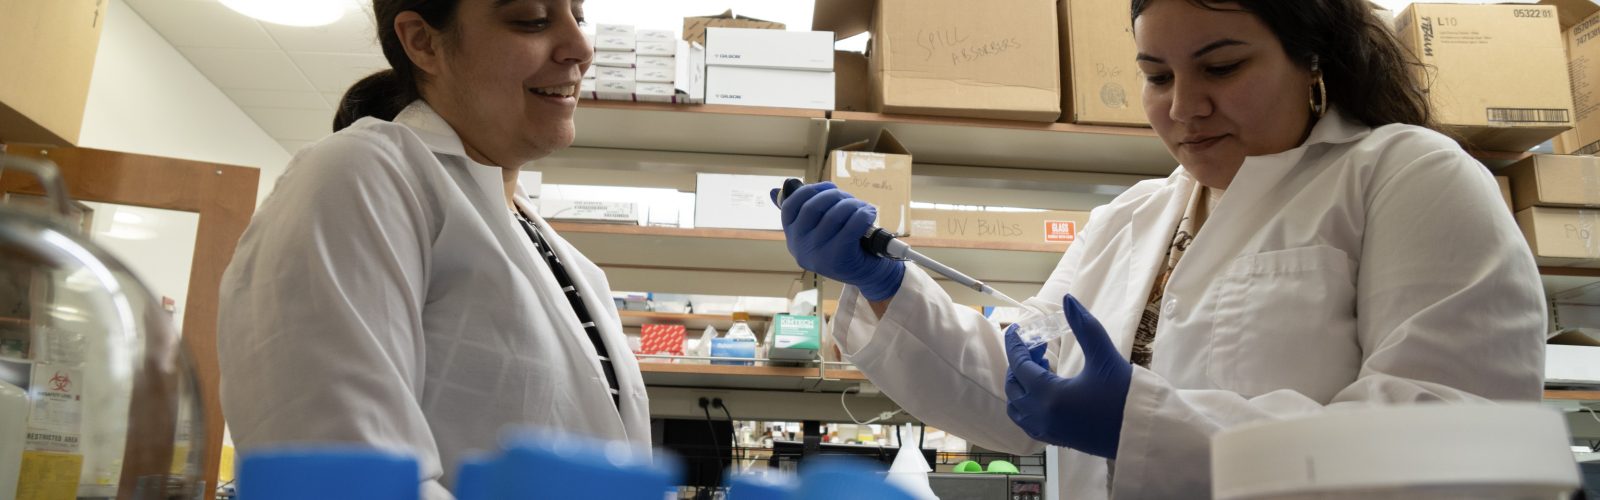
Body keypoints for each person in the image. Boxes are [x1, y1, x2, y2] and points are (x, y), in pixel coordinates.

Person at [774, 0, 1546, 498]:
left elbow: (1448, 445)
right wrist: (886, 286)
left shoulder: (1407, 176)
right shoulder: (1134, 216)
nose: (1182, 107)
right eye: (1155, 75)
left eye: (1222, 66)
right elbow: (1021, 395)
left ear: (1313, 60)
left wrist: (1142, 426)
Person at [216, 1, 647, 498]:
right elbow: (345, 473)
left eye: (579, 15)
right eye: (532, 18)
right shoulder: (359, 175)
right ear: (422, 41)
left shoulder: (567, 260)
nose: (581, 47)